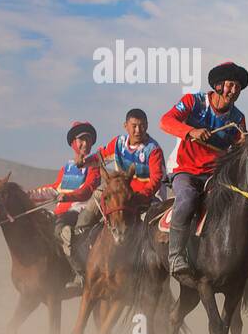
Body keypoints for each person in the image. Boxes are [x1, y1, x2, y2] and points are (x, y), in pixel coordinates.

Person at [160, 61, 248, 285]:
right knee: (187, 199)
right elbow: (165, 121)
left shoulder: (238, 118)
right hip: (186, 171)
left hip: (216, 175)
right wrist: (191, 131)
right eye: (231, 85)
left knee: (247, 200)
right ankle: (175, 256)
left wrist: (245, 143)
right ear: (218, 85)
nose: (235, 91)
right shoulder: (193, 102)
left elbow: (235, 150)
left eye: (239, 88)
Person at [69, 109, 166, 273]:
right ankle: (81, 247)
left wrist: (139, 197)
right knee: (93, 203)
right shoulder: (118, 143)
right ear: (125, 126)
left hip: (143, 197)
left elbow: (156, 180)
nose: (138, 130)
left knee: (148, 233)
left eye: (142, 126)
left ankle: (149, 269)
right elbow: (99, 157)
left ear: (147, 126)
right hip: (118, 190)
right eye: (134, 126)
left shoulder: (153, 149)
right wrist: (83, 163)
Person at [30, 121, 101, 289]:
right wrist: (29, 196)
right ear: (73, 143)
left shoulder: (94, 165)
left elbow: (88, 190)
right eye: (81, 139)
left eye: (89, 140)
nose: (85, 143)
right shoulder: (66, 168)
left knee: (64, 232)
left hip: (79, 211)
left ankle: (79, 274)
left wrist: (68, 197)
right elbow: (55, 189)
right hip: (60, 212)